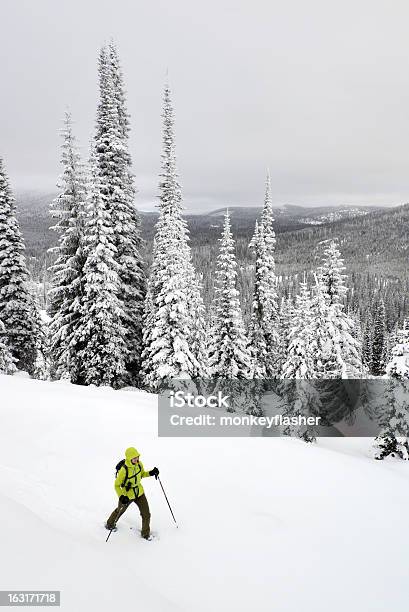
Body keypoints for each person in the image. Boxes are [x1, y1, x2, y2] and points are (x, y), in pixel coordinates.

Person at [105, 447, 159, 540]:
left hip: (139, 492)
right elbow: (117, 485)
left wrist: (151, 473)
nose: (136, 459)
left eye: (137, 457)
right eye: (134, 458)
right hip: (127, 495)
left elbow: (142, 474)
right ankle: (110, 524)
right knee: (120, 510)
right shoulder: (124, 470)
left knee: (146, 514)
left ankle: (145, 534)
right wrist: (121, 496)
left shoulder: (139, 464)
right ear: (129, 458)